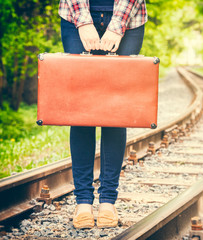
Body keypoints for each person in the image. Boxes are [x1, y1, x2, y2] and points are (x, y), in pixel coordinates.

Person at [58, 0, 147, 229]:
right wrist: (84, 21)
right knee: (82, 110)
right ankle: (83, 202)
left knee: (115, 112)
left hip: (129, 17)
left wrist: (117, 24)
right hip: (75, 14)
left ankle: (108, 201)